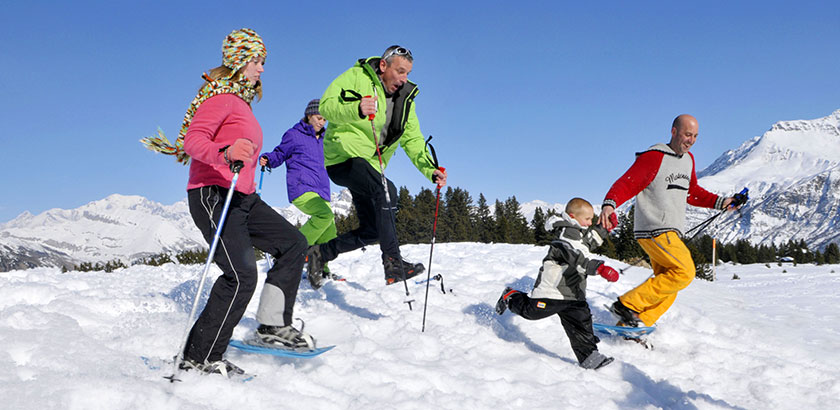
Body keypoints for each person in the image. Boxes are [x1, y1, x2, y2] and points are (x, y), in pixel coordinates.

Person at [161, 28, 316, 377]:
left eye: (263, 62)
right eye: (257, 61)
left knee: (293, 243)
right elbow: (192, 140)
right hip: (213, 193)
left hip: (243, 198)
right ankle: (198, 358)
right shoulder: (221, 99)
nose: (262, 69)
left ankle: (273, 327)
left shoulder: (240, 103)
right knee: (241, 275)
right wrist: (225, 151)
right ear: (238, 60)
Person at [306, 45, 448, 286]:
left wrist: (430, 169)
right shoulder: (357, 77)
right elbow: (327, 106)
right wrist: (356, 108)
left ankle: (320, 253)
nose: (404, 79)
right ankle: (393, 262)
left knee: (372, 230)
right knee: (387, 191)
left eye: (408, 74)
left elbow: (412, 140)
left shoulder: (406, 99)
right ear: (384, 66)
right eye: (400, 72)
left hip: (370, 168)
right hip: (343, 158)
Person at [598, 114, 739, 328]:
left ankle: (636, 323)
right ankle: (627, 305)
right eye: (687, 134)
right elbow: (629, 182)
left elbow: (691, 192)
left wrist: (721, 202)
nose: (691, 140)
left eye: (695, 136)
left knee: (669, 283)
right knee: (685, 271)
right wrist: (610, 203)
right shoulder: (654, 156)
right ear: (674, 132)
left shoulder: (688, 161)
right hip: (655, 228)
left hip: (669, 230)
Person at [495, 198, 620, 370]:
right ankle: (511, 296)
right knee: (532, 312)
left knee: (581, 322)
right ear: (572, 217)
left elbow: (589, 241)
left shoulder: (579, 232)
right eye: (588, 220)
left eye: (592, 219)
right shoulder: (564, 237)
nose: (590, 223)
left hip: (573, 292)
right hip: (553, 291)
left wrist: (603, 229)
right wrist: (599, 268)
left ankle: (589, 356)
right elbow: (578, 256)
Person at [259, 99, 338, 289]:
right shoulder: (294, 135)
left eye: (325, 119)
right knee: (324, 215)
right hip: (301, 188)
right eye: (319, 118)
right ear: (309, 115)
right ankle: (291, 252)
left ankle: (320, 266)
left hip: (322, 190)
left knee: (330, 231)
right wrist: (269, 159)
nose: (322, 122)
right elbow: (280, 153)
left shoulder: (326, 139)